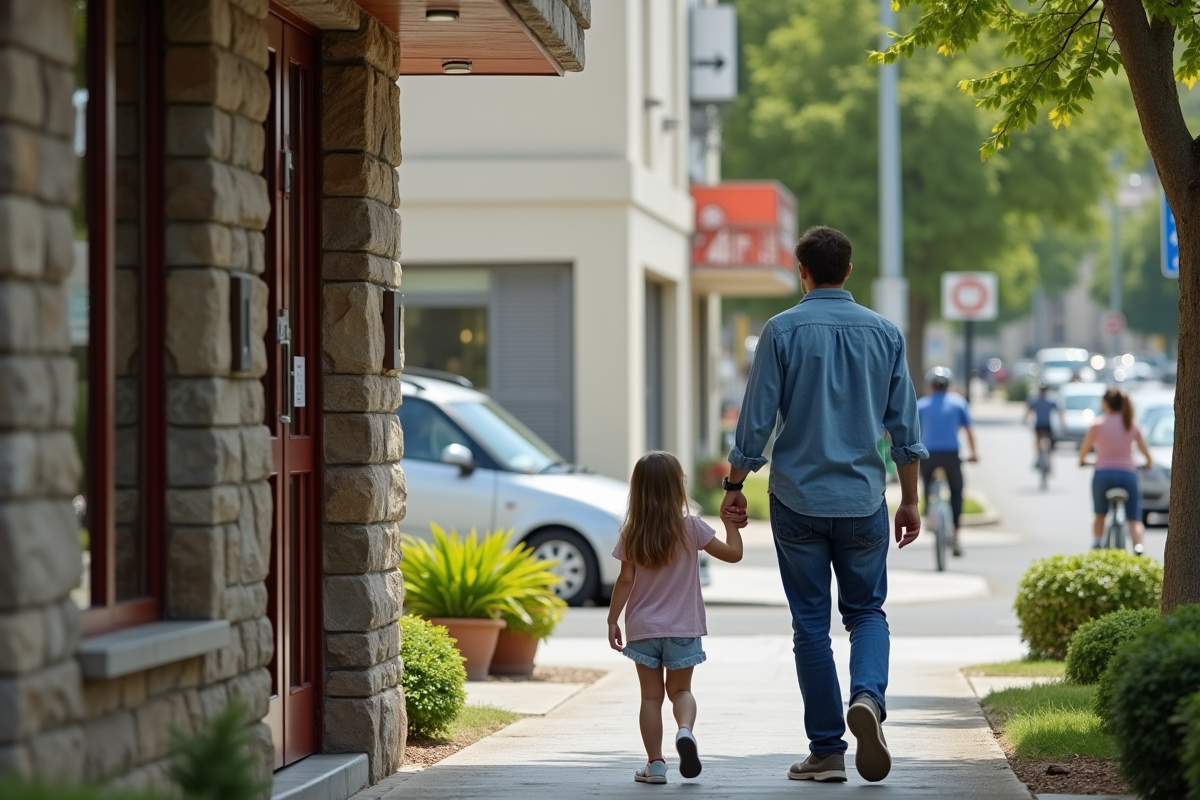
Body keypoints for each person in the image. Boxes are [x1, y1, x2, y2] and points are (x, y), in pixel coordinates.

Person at [722, 226, 928, 784]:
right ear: (850, 271)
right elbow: (905, 429)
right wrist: (910, 500)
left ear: (801, 271)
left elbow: (757, 419)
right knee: (866, 613)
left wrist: (735, 484)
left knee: (810, 625)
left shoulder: (781, 330)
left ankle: (828, 750)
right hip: (863, 500)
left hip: (798, 501)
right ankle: (867, 698)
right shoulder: (885, 333)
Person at [607, 451, 746, 785]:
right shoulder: (692, 527)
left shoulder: (632, 531)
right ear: (678, 487)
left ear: (637, 489)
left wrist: (613, 620)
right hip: (683, 627)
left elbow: (625, 580)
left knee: (650, 698)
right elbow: (734, 555)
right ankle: (685, 731)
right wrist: (731, 525)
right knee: (681, 691)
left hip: (642, 629)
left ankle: (655, 764)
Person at [1077, 388, 1152, 554]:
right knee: (1134, 518)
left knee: (1100, 514)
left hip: (1103, 474)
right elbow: (1146, 454)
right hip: (1128, 475)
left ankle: (1097, 544)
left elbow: (1083, 452)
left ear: (1105, 404)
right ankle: (1138, 547)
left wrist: (1083, 461)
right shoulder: (1131, 424)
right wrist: (1147, 463)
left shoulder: (1097, 424)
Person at [917, 367, 978, 557]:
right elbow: (968, 431)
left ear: (930, 385)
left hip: (928, 454)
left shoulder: (921, 405)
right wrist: (974, 453)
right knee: (956, 492)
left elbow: (913, 431)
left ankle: (930, 517)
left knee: (926, 484)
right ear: (949, 385)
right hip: (952, 454)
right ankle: (956, 534)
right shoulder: (959, 403)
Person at [1023, 382, 1064, 461]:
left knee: (1038, 440)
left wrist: (1024, 420)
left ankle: (1039, 456)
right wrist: (1062, 423)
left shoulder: (1035, 400)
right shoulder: (1050, 400)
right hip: (1046, 425)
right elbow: (1059, 411)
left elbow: (1028, 412)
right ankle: (1046, 457)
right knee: (1050, 441)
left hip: (1040, 424)